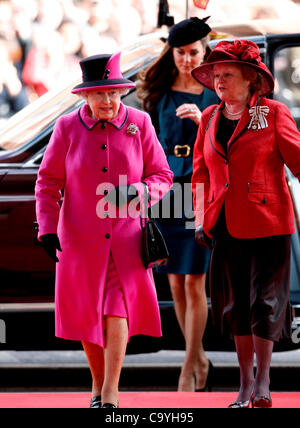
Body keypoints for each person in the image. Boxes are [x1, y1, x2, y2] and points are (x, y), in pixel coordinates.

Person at [35, 52, 173, 408]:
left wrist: (139, 192)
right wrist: (48, 229)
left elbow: (162, 176)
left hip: (127, 238)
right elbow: (48, 182)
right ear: (85, 96)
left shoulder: (139, 123)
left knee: (117, 309)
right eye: (100, 94)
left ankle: (109, 391)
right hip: (79, 238)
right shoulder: (67, 128)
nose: (108, 100)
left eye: (114, 93)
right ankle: (98, 386)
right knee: (87, 312)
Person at [191, 39, 300, 408]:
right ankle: (244, 384)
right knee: (234, 306)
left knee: (265, 304)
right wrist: (199, 218)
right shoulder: (208, 118)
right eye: (216, 75)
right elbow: (200, 174)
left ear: (251, 79)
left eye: (228, 75)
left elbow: (298, 160)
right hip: (223, 223)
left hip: (269, 221)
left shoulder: (271, 113)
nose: (220, 82)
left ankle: (264, 381)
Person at [137, 17, 218, 392]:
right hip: (167, 192)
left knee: (196, 281)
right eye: (181, 53)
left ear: (205, 51)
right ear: (171, 52)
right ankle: (198, 357)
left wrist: (204, 121)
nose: (187, 60)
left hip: (201, 189)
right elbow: (146, 148)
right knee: (174, 282)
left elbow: (230, 142)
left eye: (193, 52)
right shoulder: (158, 93)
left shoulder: (216, 91)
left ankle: (188, 366)